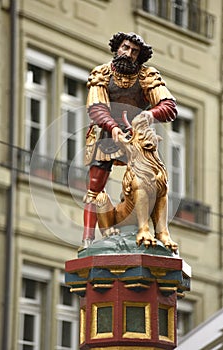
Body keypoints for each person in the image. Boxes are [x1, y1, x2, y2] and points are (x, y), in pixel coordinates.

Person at [82, 31, 177, 248]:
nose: (128, 53)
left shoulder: (147, 75)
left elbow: (169, 107)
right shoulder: (102, 73)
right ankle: (87, 239)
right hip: (107, 132)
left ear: (139, 56)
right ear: (117, 48)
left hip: (138, 136)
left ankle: (157, 231)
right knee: (94, 187)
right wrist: (113, 127)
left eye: (134, 51)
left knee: (155, 180)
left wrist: (150, 114)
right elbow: (96, 108)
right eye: (125, 48)